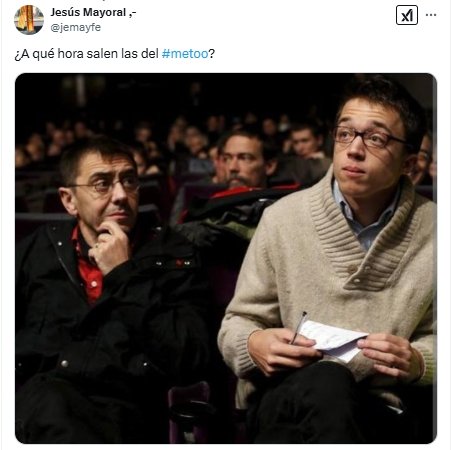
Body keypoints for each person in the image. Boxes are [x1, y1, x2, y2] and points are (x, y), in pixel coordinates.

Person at [218, 75, 435, 444]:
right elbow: (237, 322)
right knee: (326, 381)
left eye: (376, 138)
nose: (354, 149)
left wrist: (419, 361)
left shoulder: (437, 230)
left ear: (409, 164)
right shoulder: (283, 218)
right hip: (288, 395)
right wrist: (254, 344)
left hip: (384, 408)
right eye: (345, 133)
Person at [16, 136, 210, 443]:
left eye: (129, 181)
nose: (121, 195)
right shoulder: (37, 250)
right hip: (35, 404)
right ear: (69, 200)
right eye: (102, 184)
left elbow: (191, 358)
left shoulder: (174, 253)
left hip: (127, 410)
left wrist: (124, 274)